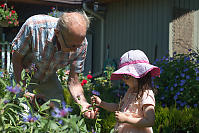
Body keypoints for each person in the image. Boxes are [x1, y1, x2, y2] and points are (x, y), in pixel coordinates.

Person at [11, 11, 97, 119]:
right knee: (24, 116)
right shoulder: (34, 27)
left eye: (78, 45)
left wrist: (83, 104)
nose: (76, 49)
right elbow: (16, 59)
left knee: (59, 115)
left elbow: (74, 81)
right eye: (72, 46)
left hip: (48, 75)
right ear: (57, 33)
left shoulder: (81, 43)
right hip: (23, 73)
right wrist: (25, 93)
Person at [91, 50, 160, 132]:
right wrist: (101, 103)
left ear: (140, 75)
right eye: (122, 75)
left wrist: (126, 119)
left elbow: (150, 121)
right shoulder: (130, 91)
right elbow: (119, 107)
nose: (123, 79)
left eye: (126, 75)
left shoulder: (146, 94)